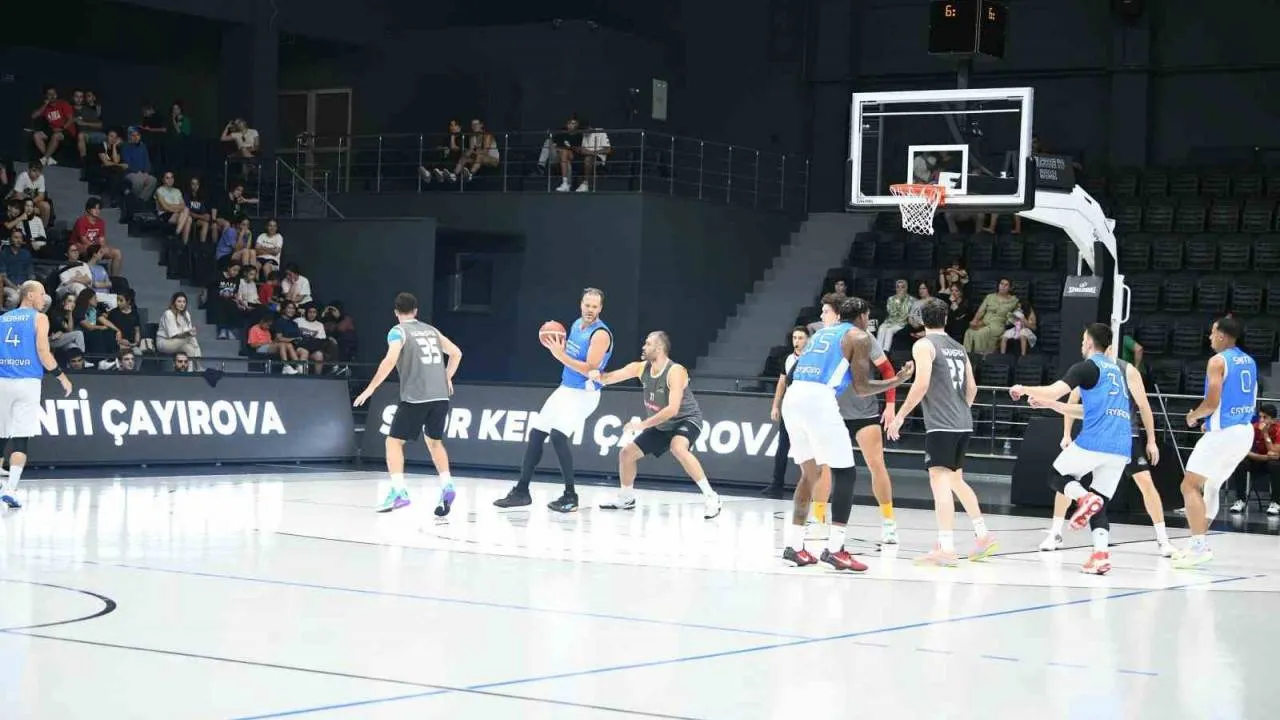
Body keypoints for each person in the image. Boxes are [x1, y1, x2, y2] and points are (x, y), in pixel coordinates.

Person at [1016, 324, 1172, 572]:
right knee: (1100, 504)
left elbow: (1055, 390)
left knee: (1056, 475)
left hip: (1096, 440)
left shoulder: (1086, 368)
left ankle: (1083, 499)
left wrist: (1023, 389)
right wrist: (1050, 405)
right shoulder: (1120, 371)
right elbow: (1086, 410)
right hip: (1121, 447)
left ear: (1089, 342)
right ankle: (1100, 555)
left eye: (1083, 339)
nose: (1081, 343)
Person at [782, 296, 912, 572]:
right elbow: (863, 388)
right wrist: (897, 381)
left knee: (809, 474)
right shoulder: (859, 337)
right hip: (820, 400)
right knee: (846, 473)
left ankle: (794, 546)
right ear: (863, 316)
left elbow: (792, 374)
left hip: (793, 399)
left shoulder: (819, 333)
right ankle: (835, 549)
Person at [887, 298, 997, 567]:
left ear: (921, 320)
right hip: (963, 421)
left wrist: (900, 416)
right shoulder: (959, 347)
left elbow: (921, 384)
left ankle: (946, 548)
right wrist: (960, 410)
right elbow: (972, 388)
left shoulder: (924, 345)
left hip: (942, 424)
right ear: (946, 319)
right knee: (956, 480)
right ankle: (983, 536)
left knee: (939, 481)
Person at [494, 288, 612, 512]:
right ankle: (521, 492)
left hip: (585, 394)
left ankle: (571, 496)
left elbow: (590, 369)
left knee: (558, 436)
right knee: (537, 433)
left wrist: (560, 355)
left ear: (600, 308)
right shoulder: (576, 325)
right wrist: (558, 346)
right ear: (581, 304)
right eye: (587, 305)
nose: (590, 310)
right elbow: (570, 355)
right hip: (566, 388)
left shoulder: (600, 334)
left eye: (595, 306)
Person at [589, 331, 722, 518]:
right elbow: (608, 378)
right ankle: (626, 498)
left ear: (659, 348)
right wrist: (595, 373)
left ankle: (711, 497)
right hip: (662, 425)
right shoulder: (640, 368)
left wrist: (642, 425)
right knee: (626, 454)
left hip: (686, 419)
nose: (643, 347)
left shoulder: (675, 371)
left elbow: (672, 409)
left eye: (648, 343)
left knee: (678, 447)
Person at [354, 292, 462, 516]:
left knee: (393, 442)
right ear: (416, 311)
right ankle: (447, 485)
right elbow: (456, 353)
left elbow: (390, 360)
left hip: (416, 396)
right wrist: (446, 377)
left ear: (396, 312)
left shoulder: (398, 331)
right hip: (441, 397)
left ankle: (399, 492)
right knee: (435, 442)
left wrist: (371, 388)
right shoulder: (431, 330)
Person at [1173, 316, 1257, 568]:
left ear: (1221, 334)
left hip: (1224, 435)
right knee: (1211, 486)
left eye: (1212, 332)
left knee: (1189, 486)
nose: (1209, 337)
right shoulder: (1249, 361)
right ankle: (1197, 544)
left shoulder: (1217, 361)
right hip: (1244, 432)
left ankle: (1199, 547)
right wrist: (1211, 422)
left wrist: (1193, 417)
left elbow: (1211, 402)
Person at [0, 281, 73, 508]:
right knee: (20, 439)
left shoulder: (3, 319)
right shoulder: (39, 318)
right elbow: (43, 351)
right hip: (27, 382)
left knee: (1, 436)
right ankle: (10, 490)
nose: (44, 299)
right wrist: (61, 376)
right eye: (41, 294)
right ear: (29, 295)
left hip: (2, 380)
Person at [840, 296, 902, 544]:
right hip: (832, 411)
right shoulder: (826, 337)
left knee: (876, 464)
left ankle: (888, 523)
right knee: (823, 467)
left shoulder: (866, 338)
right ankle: (818, 519)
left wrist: (890, 404)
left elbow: (887, 369)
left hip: (864, 411)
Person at [763, 325, 811, 498]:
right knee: (782, 445)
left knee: (809, 447)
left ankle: (810, 484)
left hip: (807, 407)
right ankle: (777, 483)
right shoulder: (788, 358)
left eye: (801, 338)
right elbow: (782, 383)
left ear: (808, 340)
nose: (797, 341)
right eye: (794, 338)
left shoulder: (813, 358)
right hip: (790, 407)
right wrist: (775, 406)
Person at [1229, 403, 1280, 515]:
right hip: (1259, 459)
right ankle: (1240, 500)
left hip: (1273, 463)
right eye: (1260, 416)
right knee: (1241, 462)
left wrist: (1265, 433)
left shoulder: (1278, 429)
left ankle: (1275, 502)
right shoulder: (1253, 427)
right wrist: (1264, 457)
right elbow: (1243, 450)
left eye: (1265, 417)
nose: (1261, 420)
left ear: (1273, 420)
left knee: (1275, 464)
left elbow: (1275, 453)